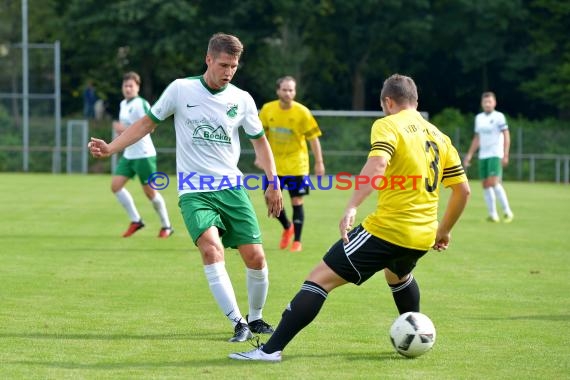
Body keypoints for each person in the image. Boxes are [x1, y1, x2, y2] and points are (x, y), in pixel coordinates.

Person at [229, 74, 471, 362]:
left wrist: (352, 206)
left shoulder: (387, 124)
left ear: (388, 102)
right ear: (416, 102)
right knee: (398, 274)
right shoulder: (438, 135)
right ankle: (417, 333)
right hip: (422, 236)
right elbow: (463, 191)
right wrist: (443, 231)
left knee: (318, 280)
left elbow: (378, 164)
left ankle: (270, 350)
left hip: (389, 230)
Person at [89, 33, 283, 343]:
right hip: (194, 190)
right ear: (208, 59)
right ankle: (238, 322)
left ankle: (256, 317)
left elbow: (259, 141)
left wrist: (273, 183)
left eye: (234, 66)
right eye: (223, 65)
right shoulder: (181, 89)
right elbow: (146, 124)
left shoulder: (242, 99)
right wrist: (112, 148)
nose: (229, 71)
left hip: (231, 188)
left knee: (256, 258)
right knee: (210, 248)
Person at [258, 76, 325, 252]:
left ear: (295, 92)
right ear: (278, 91)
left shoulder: (302, 112)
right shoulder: (267, 110)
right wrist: (260, 157)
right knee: (269, 199)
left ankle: (297, 241)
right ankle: (287, 226)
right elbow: (260, 138)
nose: (288, 93)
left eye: (291, 90)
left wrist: (319, 163)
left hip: (297, 165)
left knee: (296, 200)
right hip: (274, 166)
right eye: (285, 90)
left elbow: (313, 139)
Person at [111, 71, 173, 238]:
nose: (128, 88)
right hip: (129, 154)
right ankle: (136, 220)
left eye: (131, 86)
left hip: (144, 154)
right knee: (115, 186)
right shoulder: (123, 104)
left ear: (137, 87)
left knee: (150, 193)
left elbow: (151, 127)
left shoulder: (141, 103)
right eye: (125, 86)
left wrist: (123, 129)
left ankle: (167, 226)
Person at [463, 92, 514, 223]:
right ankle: (493, 215)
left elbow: (506, 135)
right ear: (482, 103)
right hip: (483, 155)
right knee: (485, 184)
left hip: (495, 154)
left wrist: (506, 154)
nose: (487, 104)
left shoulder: (499, 117)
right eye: (485, 102)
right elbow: (477, 138)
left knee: (493, 182)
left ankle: (507, 212)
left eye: (490, 102)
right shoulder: (479, 118)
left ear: (494, 103)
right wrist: (469, 155)